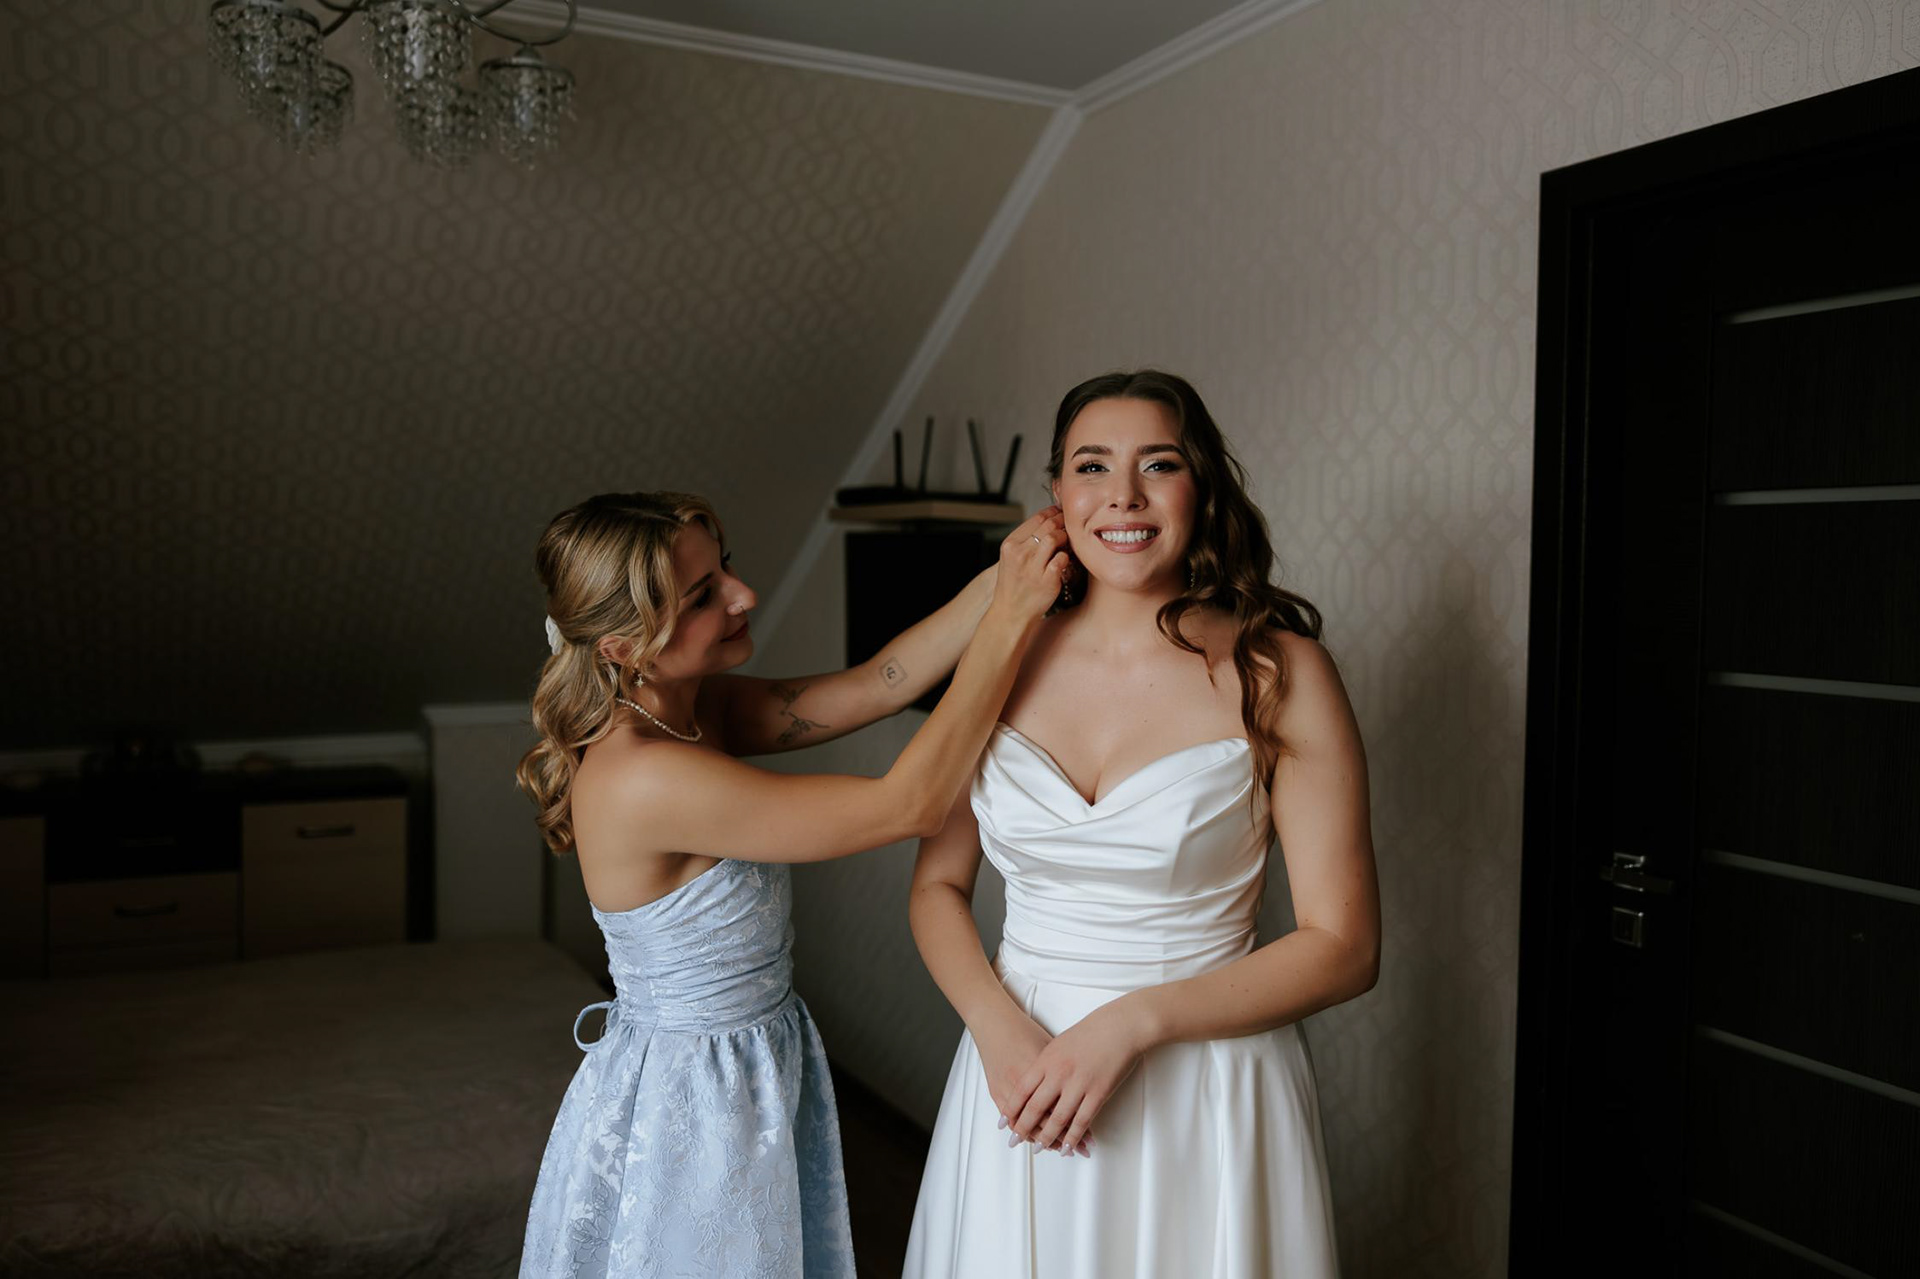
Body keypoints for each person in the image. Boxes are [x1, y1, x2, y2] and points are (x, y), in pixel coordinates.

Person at [514, 490, 1068, 1279]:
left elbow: (878, 682)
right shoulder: (644, 774)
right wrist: (1011, 620)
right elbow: (908, 804)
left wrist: (1003, 574)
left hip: (752, 1066)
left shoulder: (693, 709)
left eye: (725, 568)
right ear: (623, 645)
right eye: (703, 596)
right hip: (692, 1100)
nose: (743, 594)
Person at [904, 371, 1381, 1277]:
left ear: (1202, 487)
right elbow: (936, 885)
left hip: (1207, 1084)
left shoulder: (1278, 670)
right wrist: (996, 1029)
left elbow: (1345, 945)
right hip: (1019, 1075)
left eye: (1158, 464)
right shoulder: (999, 656)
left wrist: (1130, 1024)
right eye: (1093, 465)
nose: (1123, 495)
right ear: (1057, 494)